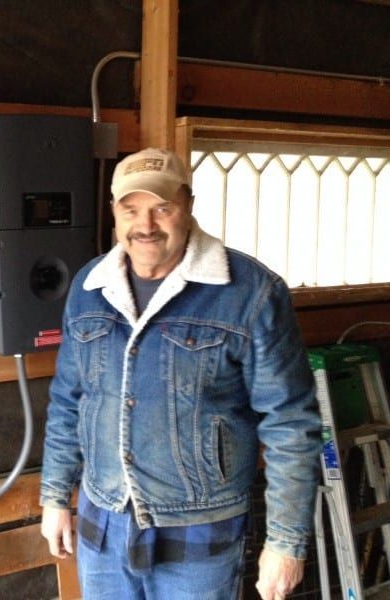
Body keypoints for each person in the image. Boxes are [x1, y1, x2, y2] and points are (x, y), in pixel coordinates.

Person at [39, 148, 321, 600]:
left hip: (200, 525)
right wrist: (55, 496)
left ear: (187, 205)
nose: (145, 225)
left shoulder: (250, 293)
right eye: (131, 210)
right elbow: (70, 399)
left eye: (161, 208)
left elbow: (291, 422)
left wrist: (286, 543)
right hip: (103, 518)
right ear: (114, 212)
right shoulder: (90, 287)